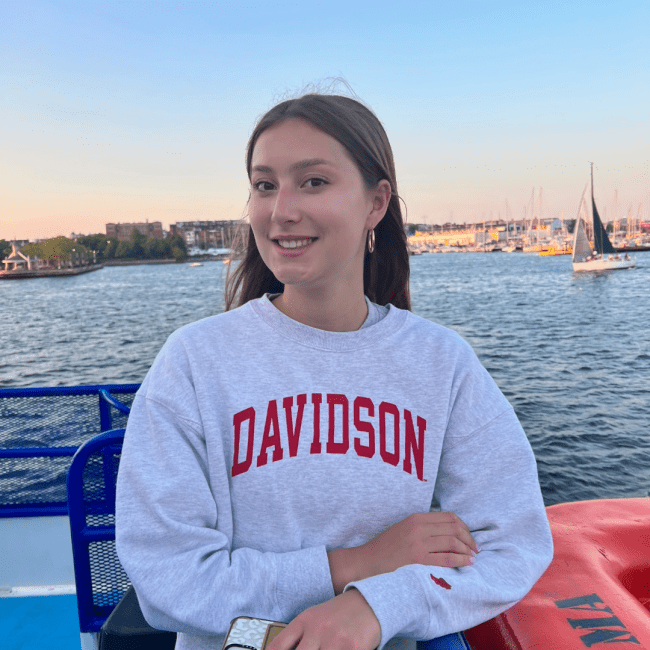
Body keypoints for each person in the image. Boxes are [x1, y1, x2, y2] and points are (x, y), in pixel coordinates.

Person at [116, 92, 553, 650]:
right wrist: (359, 565)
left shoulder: (441, 363)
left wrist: (377, 607)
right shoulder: (195, 362)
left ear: (376, 204)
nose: (281, 210)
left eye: (313, 181)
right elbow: (166, 580)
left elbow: (514, 539)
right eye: (264, 184)